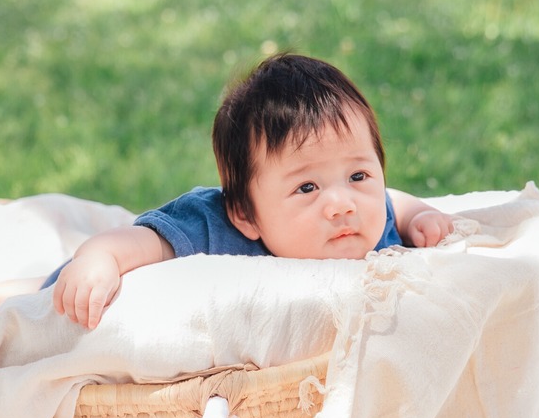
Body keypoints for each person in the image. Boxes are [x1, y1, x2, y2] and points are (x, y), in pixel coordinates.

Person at [50, 52, 455, 329]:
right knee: (35, 292)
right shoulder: (214, 228)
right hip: (77, 290)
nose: (342, 204)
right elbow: (135, 242)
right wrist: (98, 259)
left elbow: (391, 200)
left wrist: (417, 216)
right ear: (246, 213)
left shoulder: (364, 220)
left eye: (358, 175)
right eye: (307, 186)